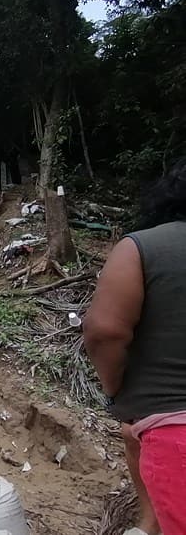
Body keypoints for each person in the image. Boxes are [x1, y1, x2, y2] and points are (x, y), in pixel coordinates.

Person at [84, 159, 186, 535]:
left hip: (176, 434)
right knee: (132, 435)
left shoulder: (144, 247)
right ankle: (149, 524)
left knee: (136, 429)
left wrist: (117, 390)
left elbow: (104, 331)